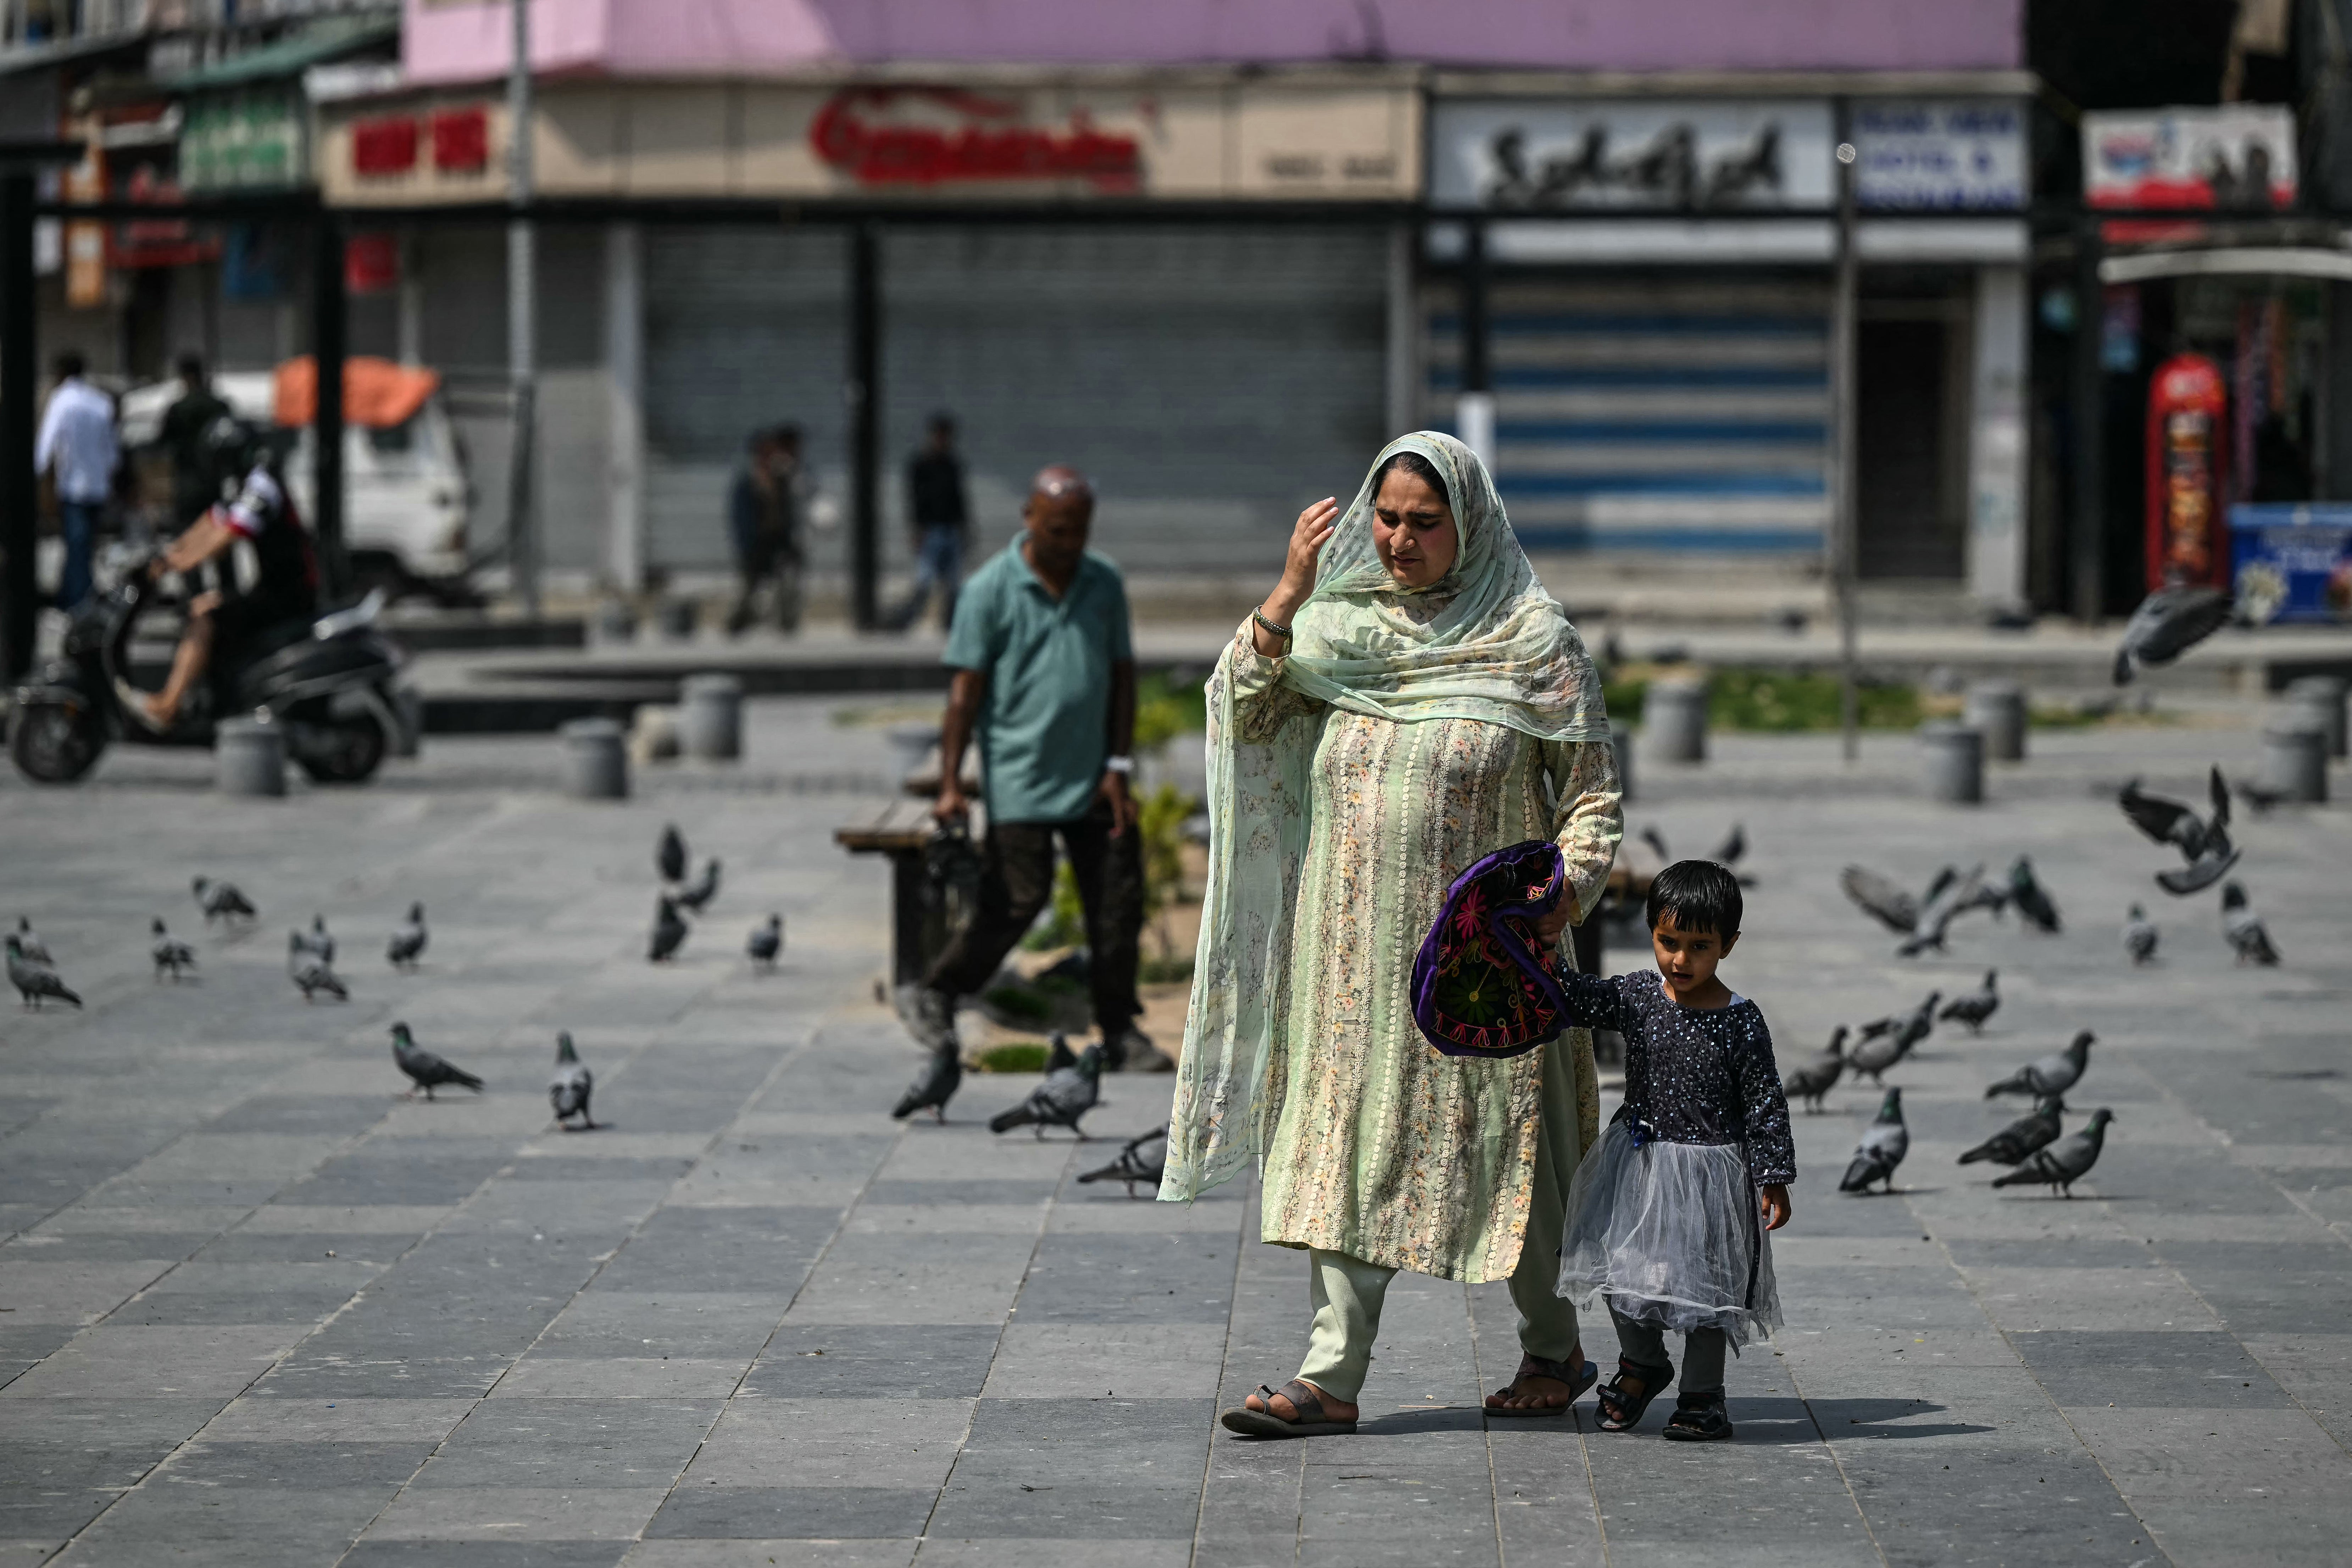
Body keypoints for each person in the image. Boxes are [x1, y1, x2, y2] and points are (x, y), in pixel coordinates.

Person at [1165, 432, 1624, 1438]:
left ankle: (1552, 1344)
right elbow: (1240, 708)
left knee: (1522, 1162)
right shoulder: (1335, 629)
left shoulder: (1531, 640)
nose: (1400, 539)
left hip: (1488, 964)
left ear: (1470, 524)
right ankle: (1330, 1376)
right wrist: (1286, 594)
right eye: (1387, 518)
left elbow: (1591, 798)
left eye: (1424, 521)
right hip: (1352, 964)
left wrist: (1563, 893)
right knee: (1352, 1146)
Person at [911, 465, 1167, 1073]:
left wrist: (1118, 762)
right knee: (1016, 899)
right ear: (1028, 518)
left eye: (1078, 530)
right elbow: (963, 694)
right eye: (1056, 529)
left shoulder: (1103, 582)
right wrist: (950, 784)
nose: (1068, 542)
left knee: (1116, 899)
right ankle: (940, 989)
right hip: (1020, 775)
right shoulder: (988, 590)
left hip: (1095, 778)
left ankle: (1117, 1028)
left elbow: (1123, 676)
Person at [1551, 859, 1795, 1442]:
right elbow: (1580, 1000)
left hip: (1710, 1176)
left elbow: (1763, 1099)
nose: (1680, 959)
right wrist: (1537, 959)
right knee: (1615, 1266)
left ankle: (1702, 1395)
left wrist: (1773, 1174)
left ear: (1727, 945)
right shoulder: (1637, 995)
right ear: (1650, 931)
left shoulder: (1740, 1021)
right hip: (1638, 1162)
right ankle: (1642, 1362)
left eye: (1698, 945)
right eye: (1668, 941)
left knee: (1704, 1292)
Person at [132, 425, 319, 732]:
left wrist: (182, 562)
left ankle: (170, 704)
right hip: (272, 589)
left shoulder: (263, 487)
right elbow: (212, 522)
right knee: (205, 604)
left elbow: (229, 534)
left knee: (206, 616)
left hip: (290, 597)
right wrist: (168, 555)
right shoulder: (246, 484)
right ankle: (212, 693)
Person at [33, 351, 118, 612]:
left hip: (73, 485)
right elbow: (112, 450)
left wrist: (36, 476)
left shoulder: (62, 401)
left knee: (77, 545)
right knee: (84, 544)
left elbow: (47, 444)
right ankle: (70, 594)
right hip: (98, 485)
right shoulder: (101, 401)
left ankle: (79, 600)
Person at [891, 413, 971, 632]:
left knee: (954, 581)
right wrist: (917, 529)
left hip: (951, 528)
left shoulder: (953, 464)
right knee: (924, 579)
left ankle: (950, 623)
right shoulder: (921, 464)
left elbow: (960, 499)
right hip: (931, 529)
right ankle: (905, 622)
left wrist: (965, 528)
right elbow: (915, 499)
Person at [725, 425, 805, 635]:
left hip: (778, 543)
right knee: (751, 591)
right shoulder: (748, 483)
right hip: (756, 546)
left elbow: (791, 512)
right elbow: (742, 520)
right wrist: (749, 546)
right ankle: (738, 624)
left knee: (786, 585)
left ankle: (786, 625)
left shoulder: (782, 481)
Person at [158, 354, 232, 529]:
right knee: (218, 535)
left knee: (189, 536)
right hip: (215, 483)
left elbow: (163, 441)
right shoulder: (219, 406)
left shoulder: (178, 409)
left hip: (188, 482)